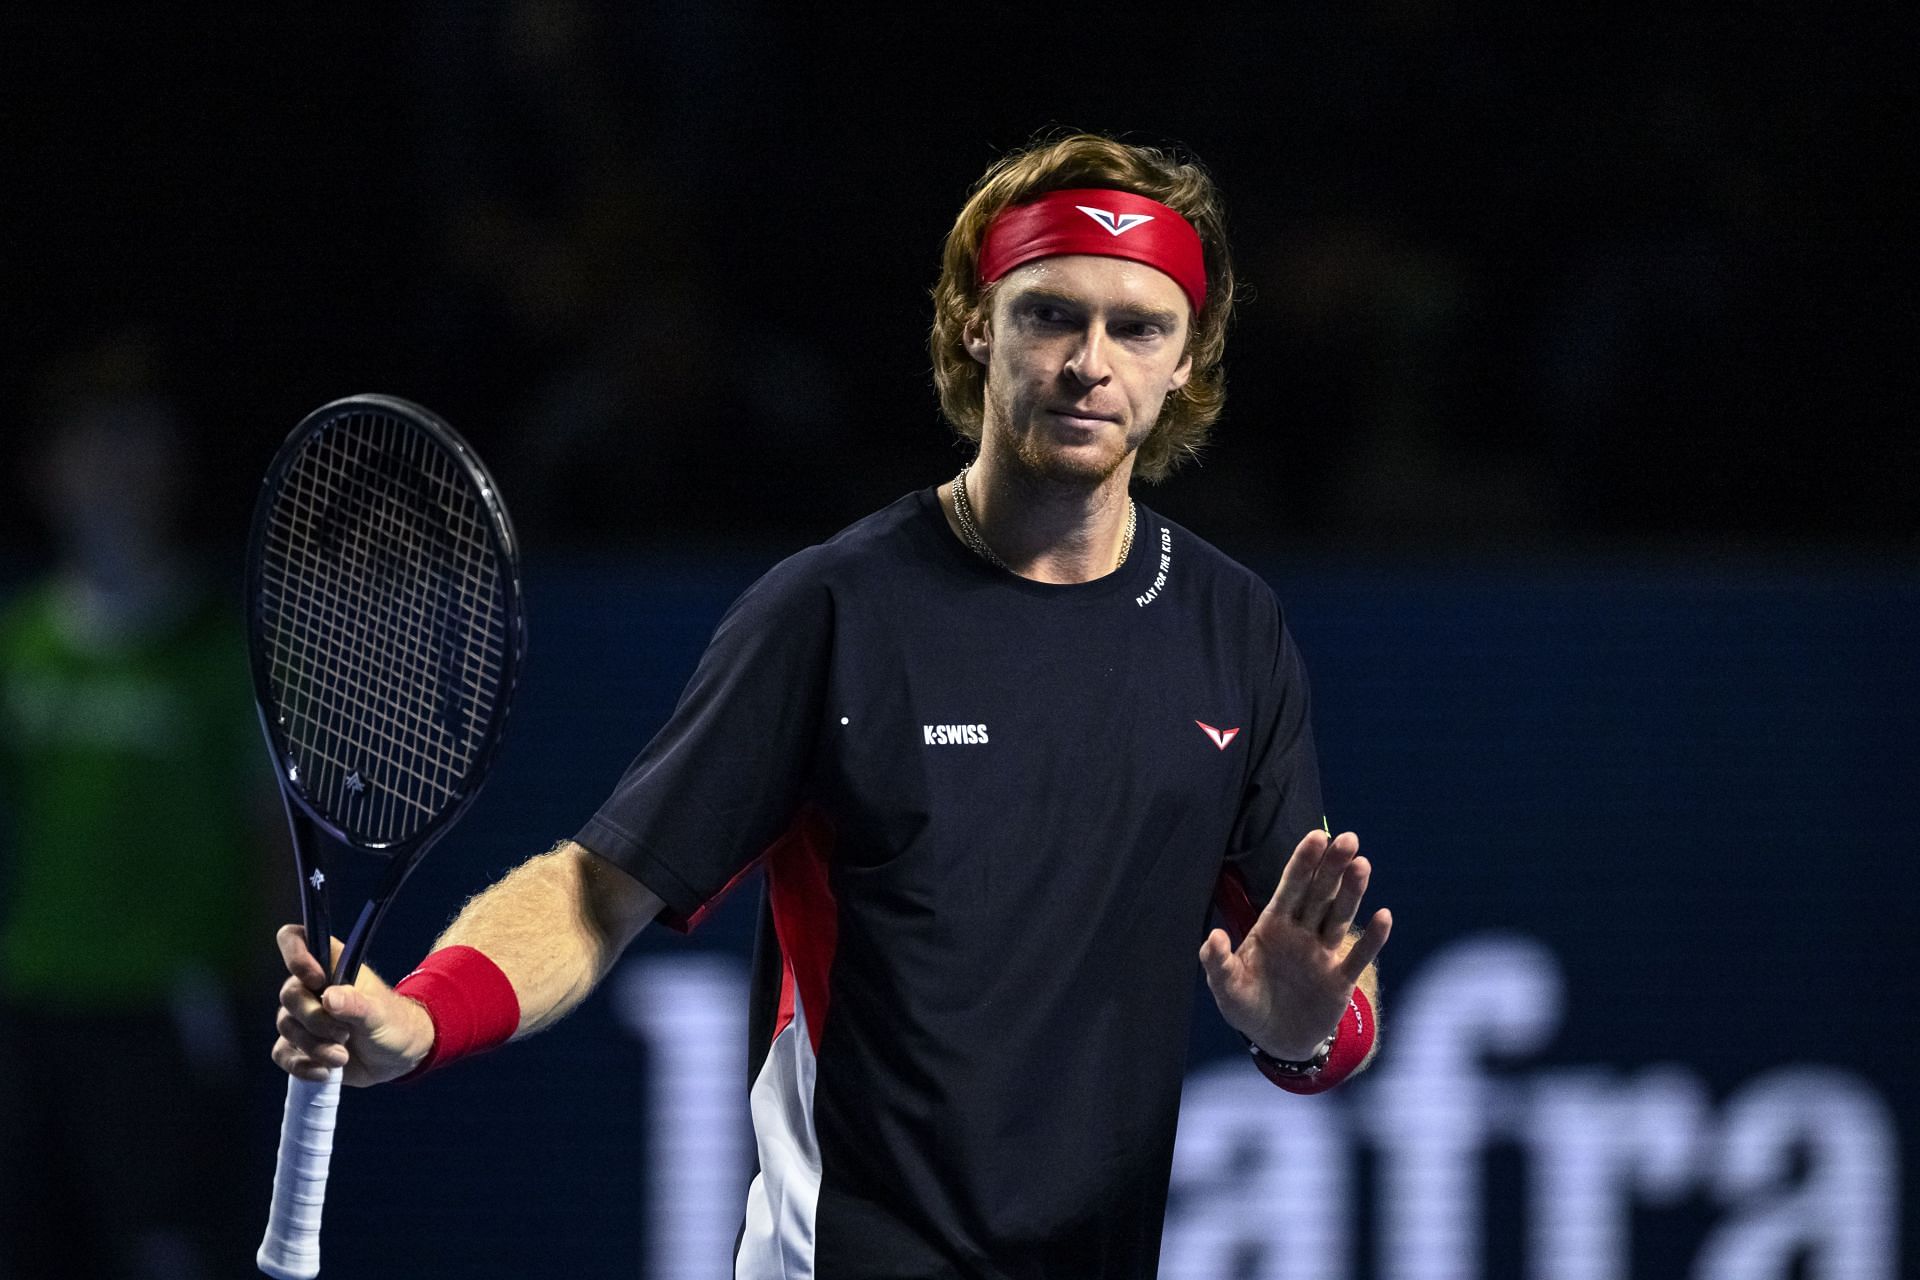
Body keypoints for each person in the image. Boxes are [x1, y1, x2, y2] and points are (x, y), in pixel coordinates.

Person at [271, 132, 1394, 1279]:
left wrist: (1304, 1031)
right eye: (1050, 313)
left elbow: (1318, 996)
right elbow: (597, 887)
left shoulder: (1235, 628)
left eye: (1137, 326)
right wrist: (420, 1015)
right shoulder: (833, 609)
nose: (1089, 362)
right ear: (976, 320)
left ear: (1184, 359)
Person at [2, 357, 279, 1279]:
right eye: (90, 443)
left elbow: (273, 847)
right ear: (46, 470)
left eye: (136, 442)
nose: (112, 469)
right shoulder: (16, 647)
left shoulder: (226, 653)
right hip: (27, 1021)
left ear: (175, 469)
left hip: (169, 1028)